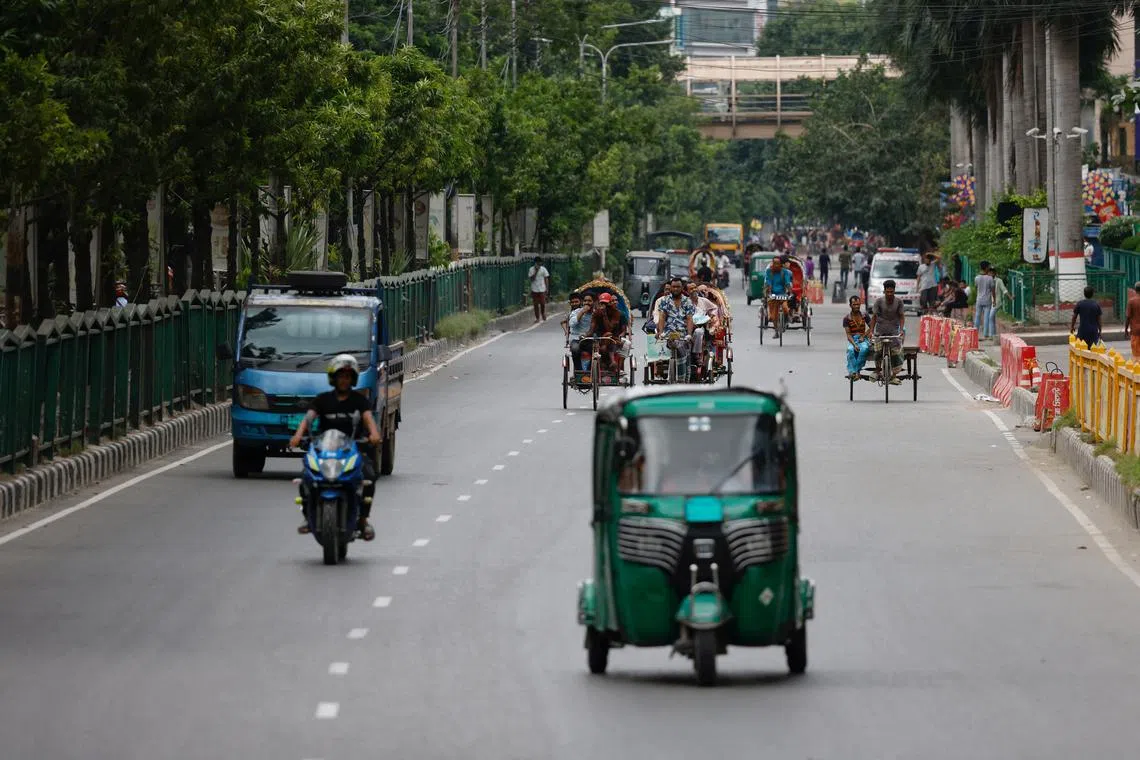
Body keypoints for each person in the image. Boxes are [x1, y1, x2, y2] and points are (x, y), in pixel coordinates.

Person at [289, 355, 381, 540]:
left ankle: (363, 520)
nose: (344, 380)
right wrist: (298, 436)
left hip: (352, 450)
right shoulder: (322, 400)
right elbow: (309, 418)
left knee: (368, 477)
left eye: (347, 377)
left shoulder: (359, 401)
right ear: (334, 378)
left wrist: (374, 434)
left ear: (353, 379)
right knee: (306, 477)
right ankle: (308, 517)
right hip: (325, 451)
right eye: (340, 376)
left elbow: (368, 419)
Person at [656, 277, 696, 380]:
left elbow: (690, 318)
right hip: (669, 334)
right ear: (671, 288)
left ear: (682, 288)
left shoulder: (687, 301)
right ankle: (675, 378)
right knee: (675, 345)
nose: (675, 289)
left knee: (683, 350)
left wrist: (689, 334)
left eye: (678, 287)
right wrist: (660, 332)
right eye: (673, 287)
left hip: (683, 334)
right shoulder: (665, 300)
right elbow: (662, 317)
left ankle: (683, 379)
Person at [869, 279, 906, 384]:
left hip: (894, 331)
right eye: (887, 292)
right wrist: (871, 331)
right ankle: (877, 370)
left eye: (891, 292)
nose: (889, 294)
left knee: (896, 353)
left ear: (894, 291)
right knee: (877, 352)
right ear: (884, 291)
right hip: (880, 331)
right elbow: (874, 318)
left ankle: (894, 376)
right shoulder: (879, 302)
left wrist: (902, 329)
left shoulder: (899, 302)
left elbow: (902, 317)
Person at [584, 292, 624, 375]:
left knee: (608, 335)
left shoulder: (616, 313)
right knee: (587, 344)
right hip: (599, 338)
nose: (604, 306)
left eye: (605, 304)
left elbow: (609, 328)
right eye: (602, 303)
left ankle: (612, 362)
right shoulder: (596, 313)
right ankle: (590, 369)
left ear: (610, 303)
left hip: (613, 338)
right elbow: (592, 327)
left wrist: (605, 315)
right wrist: (586, 335)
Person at [763, 256, 794, 338]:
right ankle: (776, 331)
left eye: (778, 263)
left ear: (781, 264)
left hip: (782, 294)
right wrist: (769, 291)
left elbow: (787, 282)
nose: (776, 265)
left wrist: (790, 292)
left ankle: (787, 318)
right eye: (775, 263)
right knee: (773, 316)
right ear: (773, 263)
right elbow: (768, 282)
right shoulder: (769, 271)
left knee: (785, 307)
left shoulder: (785, 272)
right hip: (772, 294)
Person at [843, 294, 872, 378]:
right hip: (853, 339)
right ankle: (853, 372)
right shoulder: (846, 318)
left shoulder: (864, 315)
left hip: (863, 339)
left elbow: (871, 327)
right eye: (854, 305)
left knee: (864, 349)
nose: (856, 306)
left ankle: (855, 371)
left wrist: (864, 336)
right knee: (850, 350)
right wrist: (854, 344)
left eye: (858, 304)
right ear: (850, 305)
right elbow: (848, 334)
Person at [564, 293, 594, 371]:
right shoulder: (575, 312)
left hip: (590, 339)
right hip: (576, 339)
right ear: (582, 302)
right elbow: (572, 324)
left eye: (589, 301)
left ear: (594, 302)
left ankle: (590, 370)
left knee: (597, 350)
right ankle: (579, 371)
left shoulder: (595, 313)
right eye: (585, 301)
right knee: (575, 349)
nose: (587, 303)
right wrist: (582, 312)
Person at [987, 264, 1011, 337]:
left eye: (992, 272)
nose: (990, 274)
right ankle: (993, 334)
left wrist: (1009, 296)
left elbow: (1004, 290)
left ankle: (992, 335)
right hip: (989, 302)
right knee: (992, 318)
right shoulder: (988, 280)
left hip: (997, 302)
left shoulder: (999, 280)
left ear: (994, 273)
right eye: (989, 272)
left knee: (990, 317)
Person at [973, 263, 995, 339]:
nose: (989, 268)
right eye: (988, 266)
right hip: (987, 300)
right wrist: (994, 300)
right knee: (986, 317)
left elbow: (976, 288)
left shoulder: (976, 278)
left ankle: (975, 333)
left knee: (977, 316)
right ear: (986, 268)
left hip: (979, 299)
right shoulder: (990, 278)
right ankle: (985, 334)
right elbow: (993, 290)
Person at [528, 256, 550, 322]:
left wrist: (547, 288)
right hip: (534, 289)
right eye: (537, 263)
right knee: (536, 304)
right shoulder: (531, 269)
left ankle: (543, 313)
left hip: (542, 289)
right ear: (535, 263)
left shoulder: (543, 269)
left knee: (543, 303)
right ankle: (537, 317)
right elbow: (532, 279)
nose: (539, 264)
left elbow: (546, 279)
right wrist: (536, 271)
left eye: (540, 263)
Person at [1126, 282, 1140, 359]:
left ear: (1135, 290)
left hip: (1135, 331)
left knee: (1136, 355)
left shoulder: (1131, 301)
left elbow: (1128, 317)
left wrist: (1125, 329)